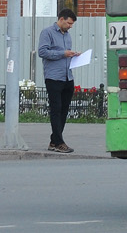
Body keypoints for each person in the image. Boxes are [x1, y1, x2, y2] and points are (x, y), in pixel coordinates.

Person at [38, 9, 80, 153]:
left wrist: (73, 55)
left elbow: (66, 53)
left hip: (68, 76)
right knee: (56, 109)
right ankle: (59, 142)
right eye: (69, 23)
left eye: (72, 24)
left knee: (64, 110)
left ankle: (54, 141)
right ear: (61, 19)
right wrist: (63, 53)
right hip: (54, 77)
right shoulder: (47, 32)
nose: (70, 26)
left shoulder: (67, 36)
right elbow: (42, 52)